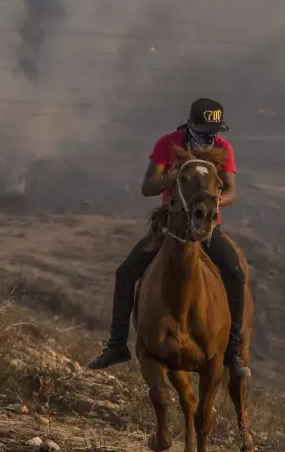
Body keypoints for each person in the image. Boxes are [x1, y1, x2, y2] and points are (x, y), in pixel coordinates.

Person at [87, 97, 249, 378]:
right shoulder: (168, 143)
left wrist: (210, 205)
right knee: (126, 272)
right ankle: (116, 345)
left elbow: (232, 191)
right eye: (203, 132)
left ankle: (233, 353)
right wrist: (171, 179)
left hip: (207, 227)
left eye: (213, 133)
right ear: (190, 125)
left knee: (234, 273)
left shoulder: (223, 150)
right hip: (170, 226)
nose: (208, 138)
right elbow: (147, 186)